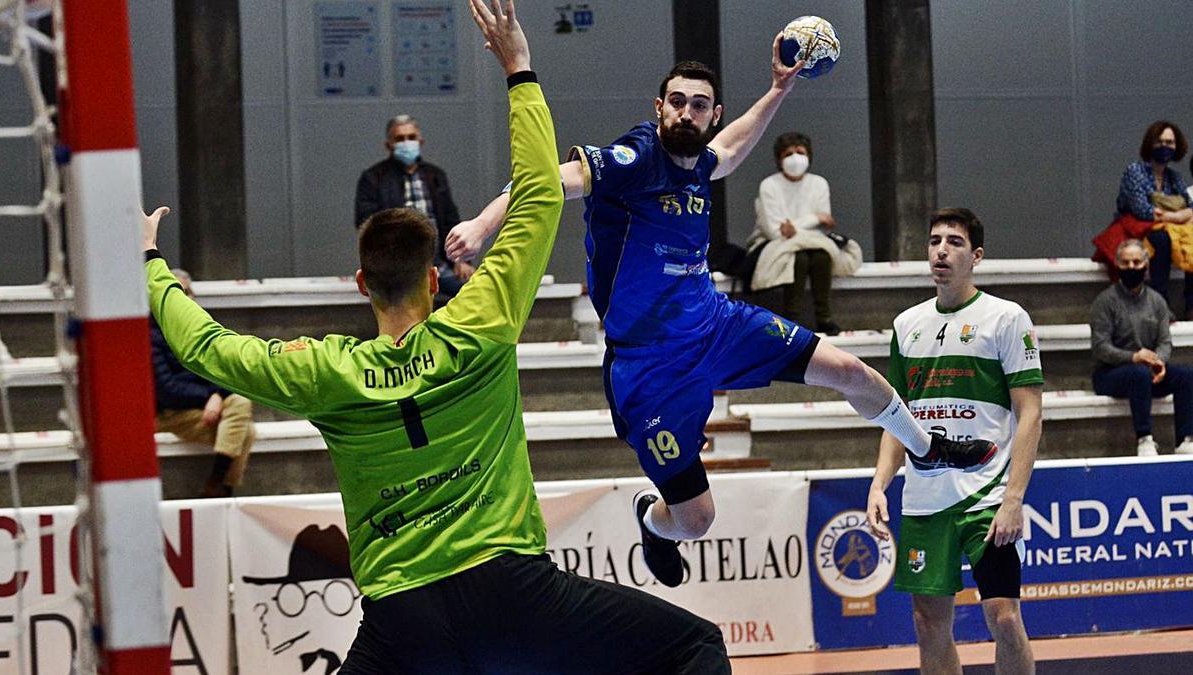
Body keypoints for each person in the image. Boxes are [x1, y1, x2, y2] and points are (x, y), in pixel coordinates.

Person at [145, 2, 729, 672]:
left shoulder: (326, 372)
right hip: (515, 596)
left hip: (403, 620)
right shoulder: (479, 321)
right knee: (695, 646)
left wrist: (149, 266)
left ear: (363, 282)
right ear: (432, 279)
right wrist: (519, 70)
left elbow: (207, 348)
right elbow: (539, 195)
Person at [446, 43, 997, 588]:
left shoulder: (700, 161)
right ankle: (651, 521)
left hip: (718, 327)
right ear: (658, 107)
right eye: (677, 102)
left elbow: (730, 153)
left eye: (700, 105)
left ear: (713, 115)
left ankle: (928, 450)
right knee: (696, 519)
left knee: (851, 371)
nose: (687, 112)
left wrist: (780, 89)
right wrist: (482, 224)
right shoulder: (635, 160)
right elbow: (545, 181)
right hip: (648, 370)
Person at [866, 208, 1043, 675]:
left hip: (988, 497)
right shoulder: (907, 325)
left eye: (955, 242)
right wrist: (880, 482)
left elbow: (1030, 414)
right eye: (935, 241)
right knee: (928, 623)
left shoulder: (1007, 318)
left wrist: (1013, 499)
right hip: (926, 500)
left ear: (976, 255)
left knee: (1003, 617)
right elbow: (895, 416)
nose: (941, 250)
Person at [150, 268, 255, 498]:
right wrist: (209, 397)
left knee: (239, 405)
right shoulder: (150, 335)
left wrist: (217, 394)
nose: (183, 299)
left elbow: (225, 369)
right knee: (245, 431)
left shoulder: (201, 329)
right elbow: (167, 390)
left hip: (198, 407)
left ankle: (215, 488)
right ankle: (220, 489)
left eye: (186, 292)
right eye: (175, 292)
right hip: (168, 414)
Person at [1090, 239, 1193, 457]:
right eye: (1126, 262)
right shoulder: (1105, 301)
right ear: (1118, 265)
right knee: (1137, 375)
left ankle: (1185, 439)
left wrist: (1159, 362)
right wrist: (1134, 357)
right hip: (1110, 374)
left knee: (1186, 375)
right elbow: (1101, 347)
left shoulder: (1157, 301)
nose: (1131, 267)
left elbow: (1165, 341)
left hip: (1147, 373)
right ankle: (1144, 439)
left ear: (1146, 265)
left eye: (1137, 262)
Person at [746, 131, 855, 335]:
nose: (795, 158)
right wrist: (814, 219)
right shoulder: (769, 185)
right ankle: (791, 318)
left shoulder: (819, 183)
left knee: (821, 257)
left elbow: (824, 225)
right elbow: (774, 231)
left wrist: (797, 225)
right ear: (779, 160)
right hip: (775, 244)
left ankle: (824, 318)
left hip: (814, 241)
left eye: (800, 152)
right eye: (788, 154)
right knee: (799, 258)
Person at [355, 114, 474, 300]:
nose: (406, 142)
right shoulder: (373, 178)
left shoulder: (435, 176)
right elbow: (367, 223)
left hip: (439, 264)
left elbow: (450, 220)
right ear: (389, 145)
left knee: (472, 297)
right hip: (396, 267)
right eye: (400, 139)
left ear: (420, 142)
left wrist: (461, 260)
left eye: (411, 138)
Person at [1116, 120, 1192, 316]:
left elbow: (1190, 210)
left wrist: (1167, 215)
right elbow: (1142, 210)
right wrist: (1178, 215)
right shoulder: (1135, 171)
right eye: (1160, 142)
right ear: (1150, 143)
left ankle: (1191, 304)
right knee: (1162, 240)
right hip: (1136, 233)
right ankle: (1160, 304)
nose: (1165, 146)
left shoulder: (1175, 178)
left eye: (1170, 142)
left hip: (1166, 229)